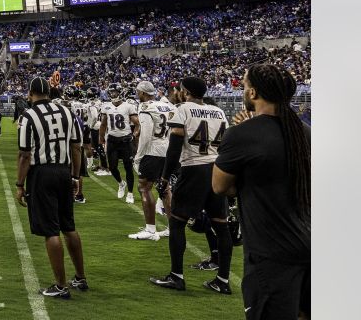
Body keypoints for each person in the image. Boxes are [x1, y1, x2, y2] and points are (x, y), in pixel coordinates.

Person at [212, 64, 310, 320]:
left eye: (244, 86)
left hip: (271, 250)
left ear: (253, 93)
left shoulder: (241, 135)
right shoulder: (306, 133)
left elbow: (220, 186)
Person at [149, 77, 233, 295]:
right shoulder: (219, 111)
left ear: (185, 92)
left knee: (177, 223)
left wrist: (165, 177)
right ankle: (223, 280)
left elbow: (174, 148)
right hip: (216, 169)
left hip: (193, 170)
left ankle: (176, 276)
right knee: (221, 226)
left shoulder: (183, 109)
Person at [15, 70, 88, 299]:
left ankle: (60, 285)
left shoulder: (28, 116)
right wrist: (76, 177)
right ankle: (80, 277)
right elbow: (77, 147)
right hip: (64, 171)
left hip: (42, 173)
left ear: (30, 94)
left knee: (50, 230)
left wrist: (19, 184)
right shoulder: (67, 111)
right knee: (69, 226)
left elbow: (25, 154)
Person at [130, 81, 174, 241]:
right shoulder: (167, 105)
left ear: (142, 92)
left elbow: (146, 135)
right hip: (167, 149)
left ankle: (150, 230)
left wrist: (139, 157)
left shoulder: (145, 107)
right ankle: (172, 227)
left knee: (144, 187)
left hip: (152, 151)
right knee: (165, 188)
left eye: (138, 91)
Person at [98, 86, 140, 204]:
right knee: (112, 167)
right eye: (111, 92)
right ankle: (121, 184)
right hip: (112, 140)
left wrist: (134, 135)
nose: (112, 94)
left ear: (120, 92)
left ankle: (130, 193)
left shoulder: (128, 106)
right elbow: (103, 124)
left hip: (125, 140)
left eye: (114, 91)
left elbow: (137, 123)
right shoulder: (106, 106)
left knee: (128, 167)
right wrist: (101, 140)